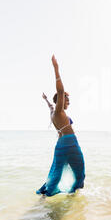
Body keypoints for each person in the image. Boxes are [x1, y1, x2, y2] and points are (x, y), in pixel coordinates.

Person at [36, 55, 85, 196]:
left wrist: (45, 100)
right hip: (70, 142)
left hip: (61, 144)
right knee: (79, 171)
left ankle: (46, 194)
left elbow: (50, 106)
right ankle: (73, 195)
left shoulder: (54, 112)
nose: (68, 102)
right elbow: (60, 91)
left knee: (56, 172)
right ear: (61, 100)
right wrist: (56, 69)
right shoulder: (59, 111)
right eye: (66, 100)